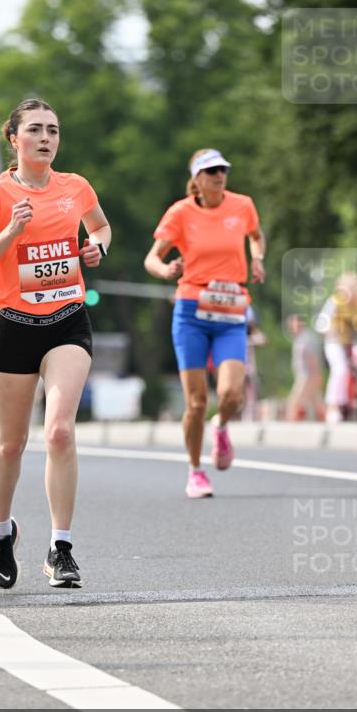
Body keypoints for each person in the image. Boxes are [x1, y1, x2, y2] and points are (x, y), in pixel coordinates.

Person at [0, 98, 110, 590]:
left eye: (53, 130)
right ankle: (3, 533)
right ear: (14, 139)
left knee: (60, 432)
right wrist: (12, 231)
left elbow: (101, 227)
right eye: (35, 130)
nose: (46, 138)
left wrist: (97, 247)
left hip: (67, 320)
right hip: (13, 325)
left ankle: (61, 548)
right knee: (11, 444)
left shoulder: (75, 187)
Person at [144, 148, 265, 497]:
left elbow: (256, 237)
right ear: (196, 179)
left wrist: (257, 260)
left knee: (231, 394)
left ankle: (222, 426)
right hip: (191, 312)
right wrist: (166, 270)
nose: (218, 175)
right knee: (195, 402)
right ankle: (196, 471)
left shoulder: (242, 205)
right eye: (210, 171)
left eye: (222, 169)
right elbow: (152, 258)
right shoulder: (180, 213)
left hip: (230, 313)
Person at [315, 272, 357, 423]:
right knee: (340, 370)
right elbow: (321, 322)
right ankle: (333, 407)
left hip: (353, 339)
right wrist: (328, 329)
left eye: (354, 289)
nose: (351, 293)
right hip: (335, 342)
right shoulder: (334, 301)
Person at [285, 314, 325, 421]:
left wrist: (316, 374)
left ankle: (289, 423)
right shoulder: (300, 338)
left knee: (295, 400)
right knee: (316, 401)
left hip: (307, 376)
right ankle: (326, 421)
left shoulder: (306, 338)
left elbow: (311, 357)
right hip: (305, 375)